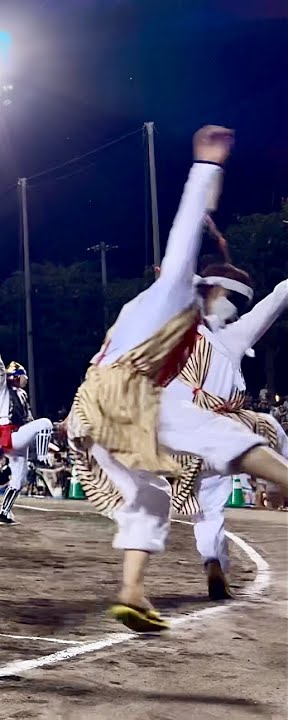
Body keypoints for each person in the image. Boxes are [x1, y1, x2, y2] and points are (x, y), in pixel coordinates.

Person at [67, 126, 288, 632]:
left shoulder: (187, 317)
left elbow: (266, 302)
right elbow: (187, 229)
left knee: (152, 497)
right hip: (129, 394)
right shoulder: (174, 295)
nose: (236, 312)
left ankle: (132, 593)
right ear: (215, 291)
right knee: (225, 432)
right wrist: (207, 165)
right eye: (233, 301)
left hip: (96, 406)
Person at [168, 271, 287, 599]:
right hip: (226, 436)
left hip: (186, 446)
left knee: (207, 514)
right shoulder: (231, 338)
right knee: (272, 430)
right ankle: (275, 487)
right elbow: (277, 299)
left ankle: (212, 561)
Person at [0, 342, 54, 525]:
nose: (26, 379)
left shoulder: (22, 395)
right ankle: (41, 457)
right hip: (10, 435)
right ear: (17, 376)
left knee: (19, 480)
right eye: (24, 376)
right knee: (46, 422)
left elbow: (30, 421)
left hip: (19, 436)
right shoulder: (1, 390)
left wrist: (46, 438)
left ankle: (4, 513)